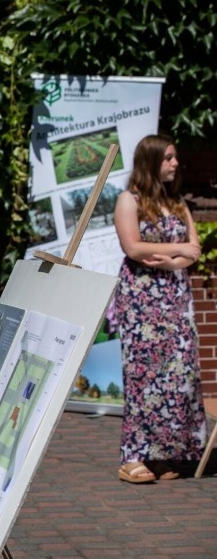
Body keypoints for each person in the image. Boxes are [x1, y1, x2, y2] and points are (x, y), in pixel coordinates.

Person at [113, 133, 207, 484]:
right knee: (144, 375)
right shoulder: (129, 200)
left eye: (174, 157)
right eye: (168, 157)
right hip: (142, 302)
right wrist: (176, 253)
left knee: (180, 374)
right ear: (151, 162)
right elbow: (134, 248)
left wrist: (165, 258)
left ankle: (162, 453)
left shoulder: (178, 204)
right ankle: (132, 456)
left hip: (176, 299)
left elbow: (194, 251)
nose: (175, 163)